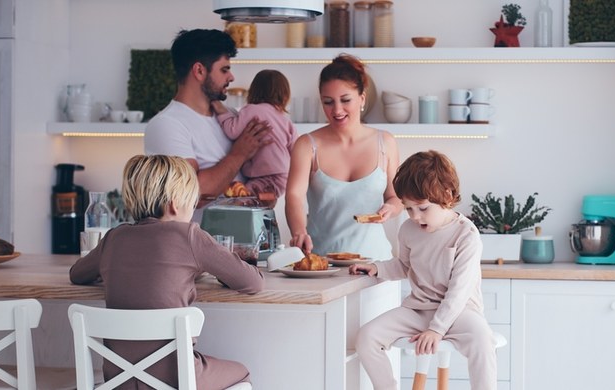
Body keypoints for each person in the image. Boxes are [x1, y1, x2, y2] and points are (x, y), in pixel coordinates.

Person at [70, 155, 264, 390]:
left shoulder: (113, 238)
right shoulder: (190, 236)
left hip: (118, 380)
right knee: (242, 373)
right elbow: (253, 282)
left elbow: (77, 274)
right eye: (192, 204)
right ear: (174, 203)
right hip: (177, 378)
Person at [349, 150, 497, 390]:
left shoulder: (466, 235)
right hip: (418, 310)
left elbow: (459, 292)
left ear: (447, 195)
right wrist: (377, 268)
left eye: (423, 208)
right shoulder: (408, 230)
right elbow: (404, 266)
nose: (415, 217)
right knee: (367, 337)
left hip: (460, 312)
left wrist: (437, 330)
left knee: (483, 340)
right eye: (408, 209)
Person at [144, 29, 273, 219]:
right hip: (197, 246)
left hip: (247, 244)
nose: (231, 77)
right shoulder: (166, 125)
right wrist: (240, 153)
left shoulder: (230, 118)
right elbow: (191, 194)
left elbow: (259, 185)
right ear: (199, 71)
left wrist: (266, 195)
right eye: (224, 69)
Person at [285, 54, 402, 260]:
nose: (337, 110)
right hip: (322, 264)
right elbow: (294, 197)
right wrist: (299, 232)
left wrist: (390, 208)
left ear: (362, 98)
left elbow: (396, 197)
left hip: (377, 265)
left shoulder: (386, 142)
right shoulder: (307, 145)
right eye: (328, 102)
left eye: (345, 100)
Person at [212, 69, 297, 197]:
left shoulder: (252, 110)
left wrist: (222, 112)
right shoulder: (285, 120)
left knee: (242, 199)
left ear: (253, 91)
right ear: (285, 95)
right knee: (259, 203)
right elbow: (296, 150)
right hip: (283, 176)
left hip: (263, 175)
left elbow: (232, 131)